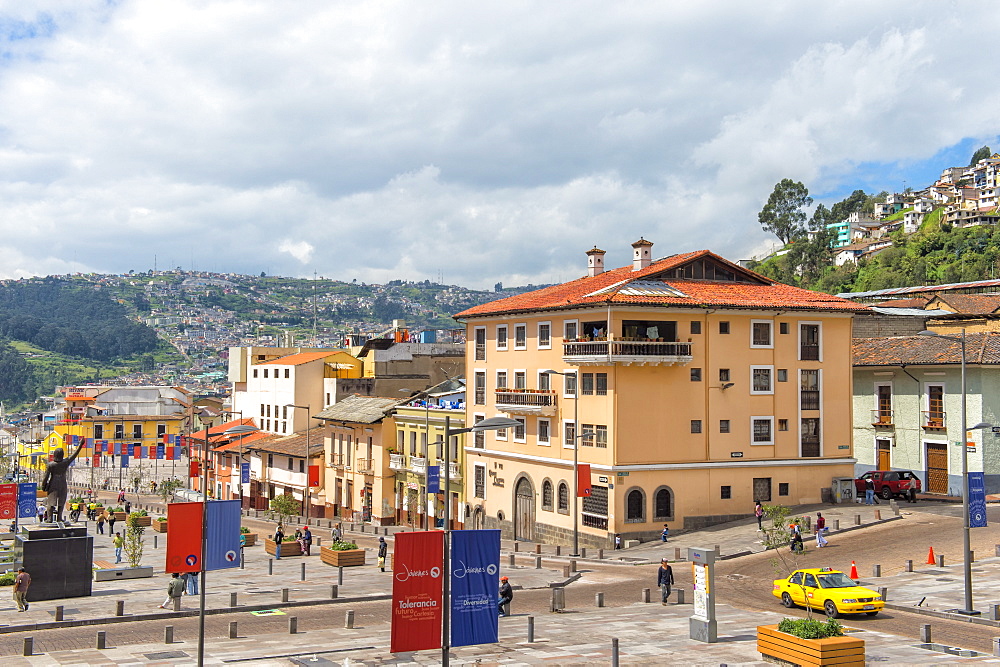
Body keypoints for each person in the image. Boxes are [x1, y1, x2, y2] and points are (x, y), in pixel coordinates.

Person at [41, 440, 86, 523]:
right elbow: (74, 455)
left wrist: (43, 486)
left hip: (53, 483)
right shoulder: (65, 462)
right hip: (62, 483)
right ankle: (59, 518)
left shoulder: (51, 465)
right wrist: (80, 445)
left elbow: (46, 477)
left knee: (51, 501)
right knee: (61, 501)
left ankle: (50, 518)